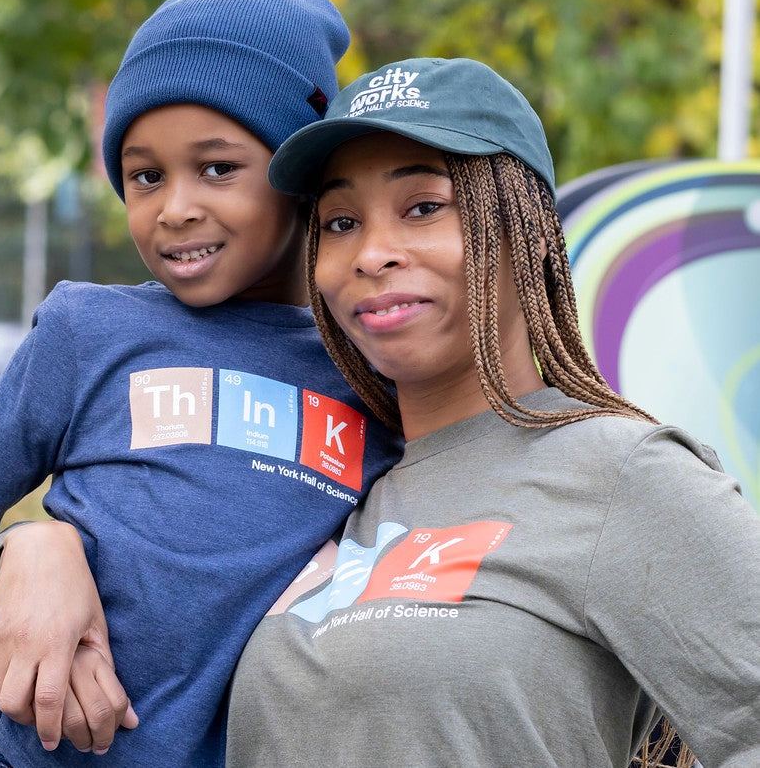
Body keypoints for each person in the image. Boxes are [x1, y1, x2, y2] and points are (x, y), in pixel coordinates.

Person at [0, 0, 404, 768]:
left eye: (217, 168)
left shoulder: (373, 372)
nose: (174, 207)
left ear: (300, 173)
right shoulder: (90, 330)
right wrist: (2, 646)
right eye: (145, 175)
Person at [224, 56, 760, 766]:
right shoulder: (330, 476)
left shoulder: (621, 471)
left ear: (527, 229)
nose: (371, 253)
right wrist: (35, 549)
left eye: (422, 207)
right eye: (341, 221)